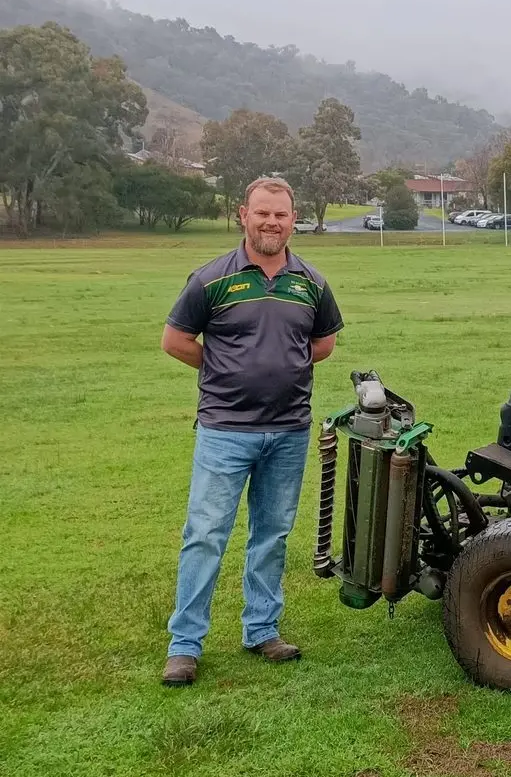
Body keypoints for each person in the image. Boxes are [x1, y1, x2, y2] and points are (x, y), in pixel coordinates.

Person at [159, 177, 344, 687]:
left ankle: (262, 629)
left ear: (293, 217)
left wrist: (278, 367)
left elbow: (323, 344)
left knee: (272, 535)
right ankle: (184, 646)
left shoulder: (312, 282)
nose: (271, 223)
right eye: (262, 213)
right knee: (205, 535)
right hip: (225, 431)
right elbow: (175, 340)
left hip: (288, 432)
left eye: (280, 215)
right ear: (244, 214)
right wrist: (221, 368)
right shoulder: (211, 279)